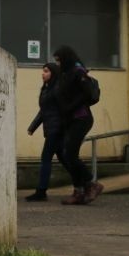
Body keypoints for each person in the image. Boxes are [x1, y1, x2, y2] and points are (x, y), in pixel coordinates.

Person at [51, 45, 104, 205]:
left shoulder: (78, 71)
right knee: (65, 154)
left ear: (66, 58)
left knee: (70, 154)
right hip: (69, 119)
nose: (58, 64)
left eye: (59, 61)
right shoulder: (65, 74)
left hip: (81, 118)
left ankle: (91, 183)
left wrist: (70, 107)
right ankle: (79, 192)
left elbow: (87, 94)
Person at [24, 62, 63, 202]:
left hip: (56, 130)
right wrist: (32, 127)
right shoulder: (46, 89)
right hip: (51, 129)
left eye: (46, 71)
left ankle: (41, 191)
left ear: (53, 73)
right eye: (43, 71)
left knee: (45, 158)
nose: (43, 73)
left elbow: (64, 110)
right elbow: (43, 111)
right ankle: (85, 182)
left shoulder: (58, 89)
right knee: (65, 159)